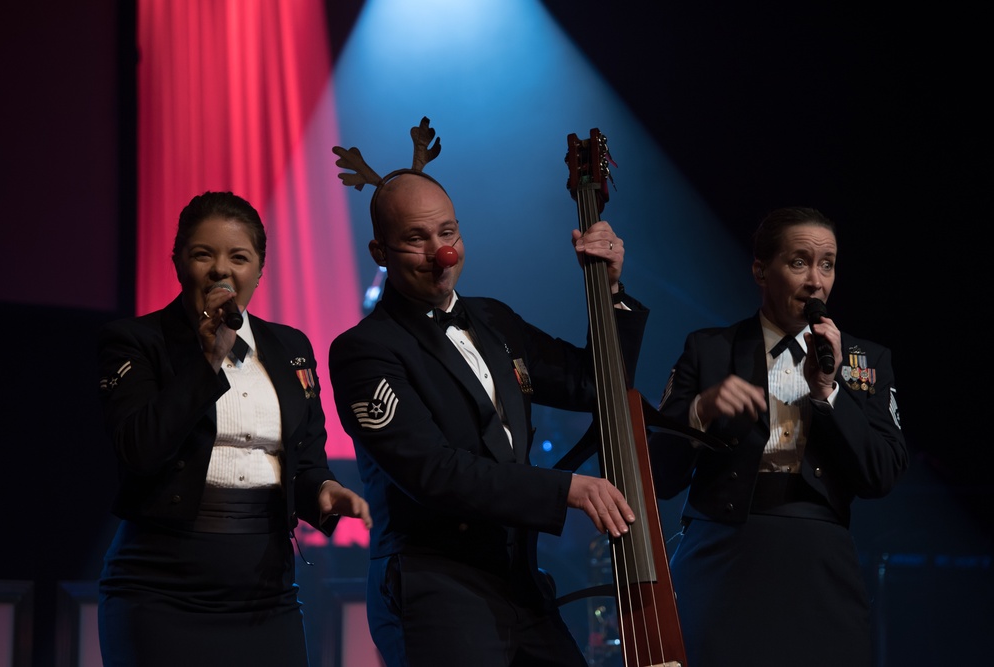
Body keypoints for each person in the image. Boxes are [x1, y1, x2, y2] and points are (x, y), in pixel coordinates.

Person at [328, 119, 648, 667]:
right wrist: (562, 489)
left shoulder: (493, 318)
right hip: (436, 586)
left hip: (518, 579)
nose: (441, 253)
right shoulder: (365, 350)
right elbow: (434, 472)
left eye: (448, 233)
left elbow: (593, 385)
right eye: (416, 239)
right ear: (380, 251)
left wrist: (610, 289)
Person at [96, 191, 372, 666]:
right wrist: (208, 358)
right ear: (178, 261)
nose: (221, 269)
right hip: (160, 587)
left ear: (259, 269)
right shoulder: (137, 341)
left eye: (238, 257)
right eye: (203, 254)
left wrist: (322, 490)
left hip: (264, 590)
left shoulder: (290, 346)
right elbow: (139, 450)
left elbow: (305, 459)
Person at [649, 206, 908, 666]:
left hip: (818, 557)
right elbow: (659, 476)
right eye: (798, 262)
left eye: (826, 264)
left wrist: (828, 392)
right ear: (760, 270)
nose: (815, 281)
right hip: (723, 550)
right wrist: (699, 411)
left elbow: (881, 474)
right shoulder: (709, 349)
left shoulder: (863, 361)